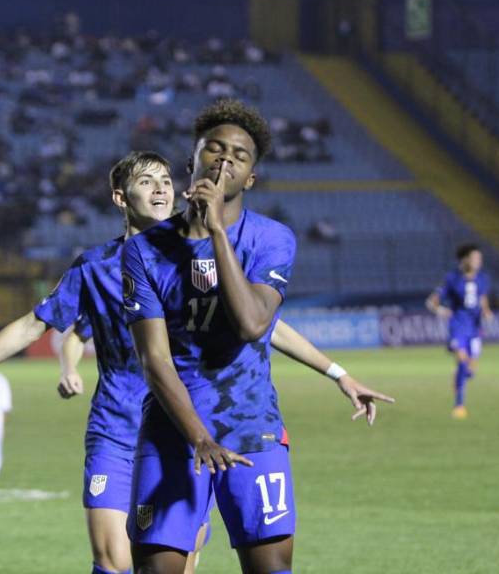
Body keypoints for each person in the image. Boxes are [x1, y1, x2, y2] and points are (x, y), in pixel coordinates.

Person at [0, 149, 390, 574]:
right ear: (120, 198)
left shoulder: (200, 260)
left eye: (165, 181)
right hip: (119, 430)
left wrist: (338, 374)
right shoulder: (95, 267)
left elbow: (266, 326)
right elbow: (35, 325)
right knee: (114, 560)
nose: (160, 190)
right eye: (145, 182)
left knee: (180, 563)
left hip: (188, 429)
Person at [120, 99, 394, 573]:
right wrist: (199, 438)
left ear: (250, 179)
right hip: (173, 435)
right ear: (193, 161)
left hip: (253, 430)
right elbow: (155, 361)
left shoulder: (271, 240)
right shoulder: (143, 252)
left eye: (240, 156)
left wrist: (216, 235)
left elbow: (252, 324)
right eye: (215, 150)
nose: (225, 161)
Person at [425, 243, 494, 419]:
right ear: (465, 260)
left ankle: (460, 377)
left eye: (480, 258)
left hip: (475, 329)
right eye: (475, 258)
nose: (478, 261)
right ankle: (459, 405)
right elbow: (432, 301)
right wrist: (442, 311)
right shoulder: (452, 279)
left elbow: (483, 298)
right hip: (458, 327)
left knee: (469, 370)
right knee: (462, 361)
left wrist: (486, 312)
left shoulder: (482, 279)